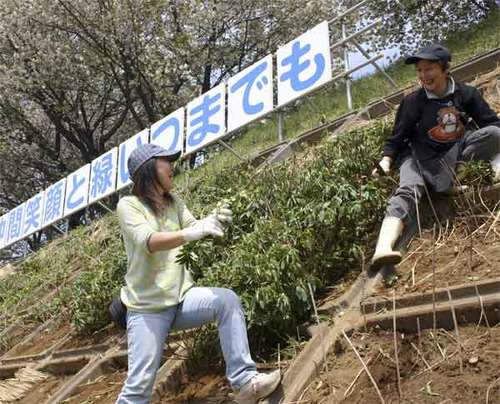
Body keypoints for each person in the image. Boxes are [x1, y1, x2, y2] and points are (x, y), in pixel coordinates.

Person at [115, 143, 280, 404]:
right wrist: (191, 232)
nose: (172, 167)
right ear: (148, 169)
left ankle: (246, 383)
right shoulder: (129, 205)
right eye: (165, 161)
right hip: (147, 309)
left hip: (180, 299)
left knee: (226, 301)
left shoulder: (174, 202)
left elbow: (195, 228)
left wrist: (214, 220)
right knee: (139, 387)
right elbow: (148, 240)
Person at [371, 43, 500, 270]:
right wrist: (386, 160)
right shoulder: (412, 102)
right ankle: (383, 247)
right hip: (419, 157)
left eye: (428, 69)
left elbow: (490, 123)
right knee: (408, 190)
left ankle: (454, 179)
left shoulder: (466, 93)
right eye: (419, 71)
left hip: (456, 153)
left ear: (443, 68)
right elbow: (397, 137)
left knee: (494, 134)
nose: (423, 75)